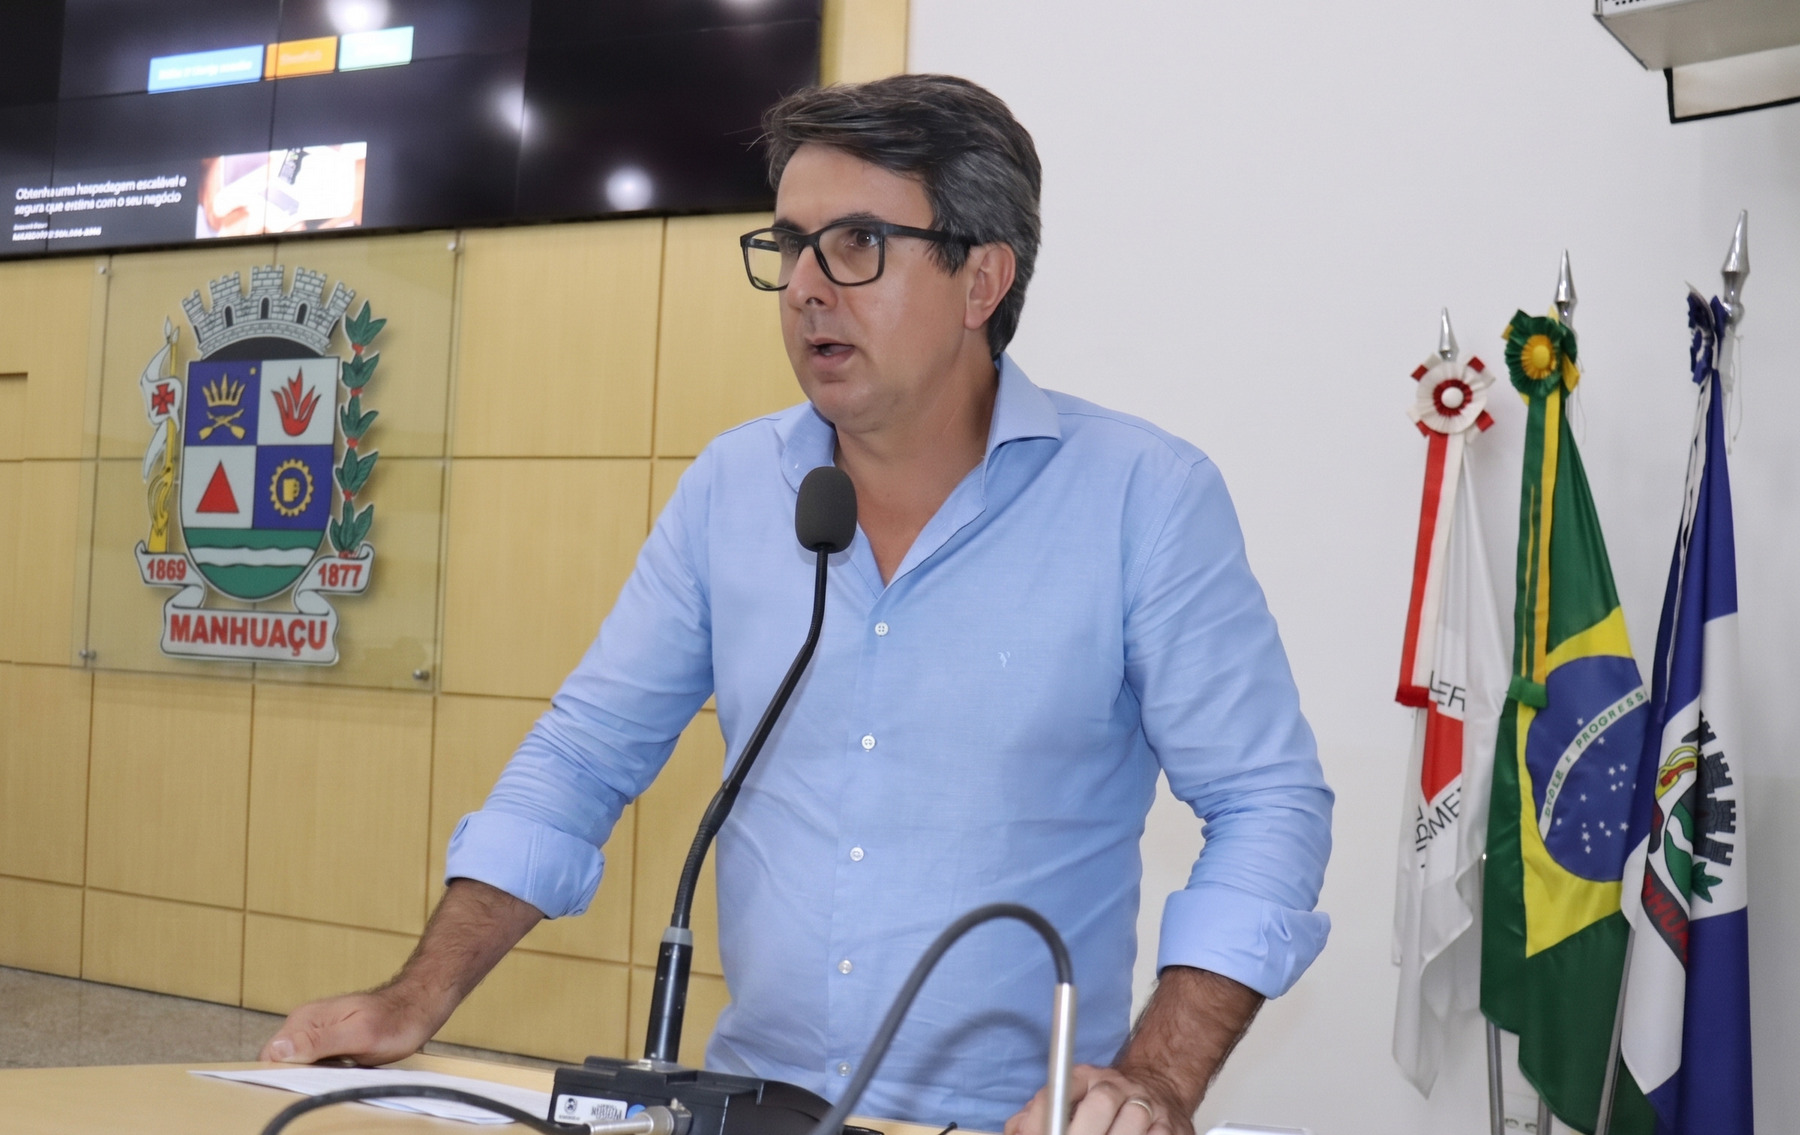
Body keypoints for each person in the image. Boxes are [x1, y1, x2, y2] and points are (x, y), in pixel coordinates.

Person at [262, 74, 1333, 1135]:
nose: (807, 287)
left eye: (857, 244)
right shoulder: (733, 488)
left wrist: (1155, 1077)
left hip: (1010, 1121)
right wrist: (416, 996)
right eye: (790, 246)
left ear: (982, 279)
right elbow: (584, 755)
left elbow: (1267, 803)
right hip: (753, 1109)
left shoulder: (1142, 498)